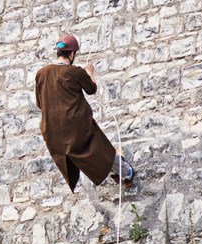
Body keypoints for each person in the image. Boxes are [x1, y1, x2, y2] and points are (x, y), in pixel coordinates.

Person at [35, 34, 135, 192]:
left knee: (84, 153)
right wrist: (89, 71)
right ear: (72, 54)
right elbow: (91, 88)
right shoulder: (75, 72)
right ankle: (126, 172)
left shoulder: (41, 73)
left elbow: (40, 103)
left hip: (52, 132)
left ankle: (111, 171)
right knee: (100, 149)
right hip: (76, 127)